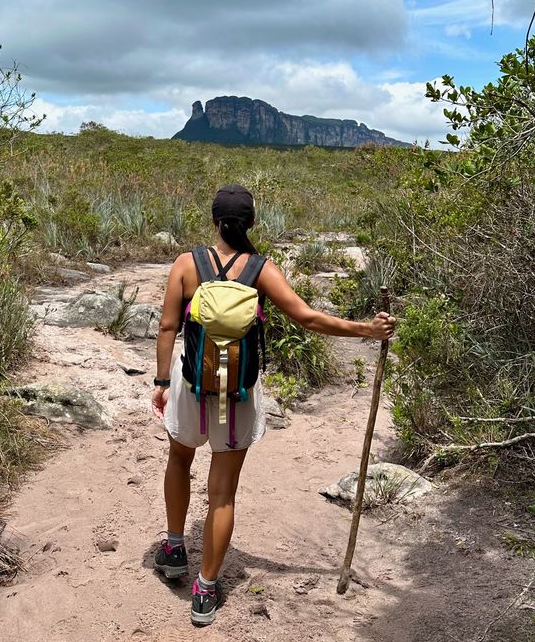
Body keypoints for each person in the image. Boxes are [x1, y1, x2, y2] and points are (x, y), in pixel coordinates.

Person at [151, 183, 396, 626]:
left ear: (214, 221)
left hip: (191, 386)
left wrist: (162, 381)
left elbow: (168, 327)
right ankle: (205, 590)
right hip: (238, 394)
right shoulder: (262, 269)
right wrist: (367, 329)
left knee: (179, 460)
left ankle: (173, 548)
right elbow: (307, 317)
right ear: (252, 223)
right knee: (222, 493)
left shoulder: (187, 264)